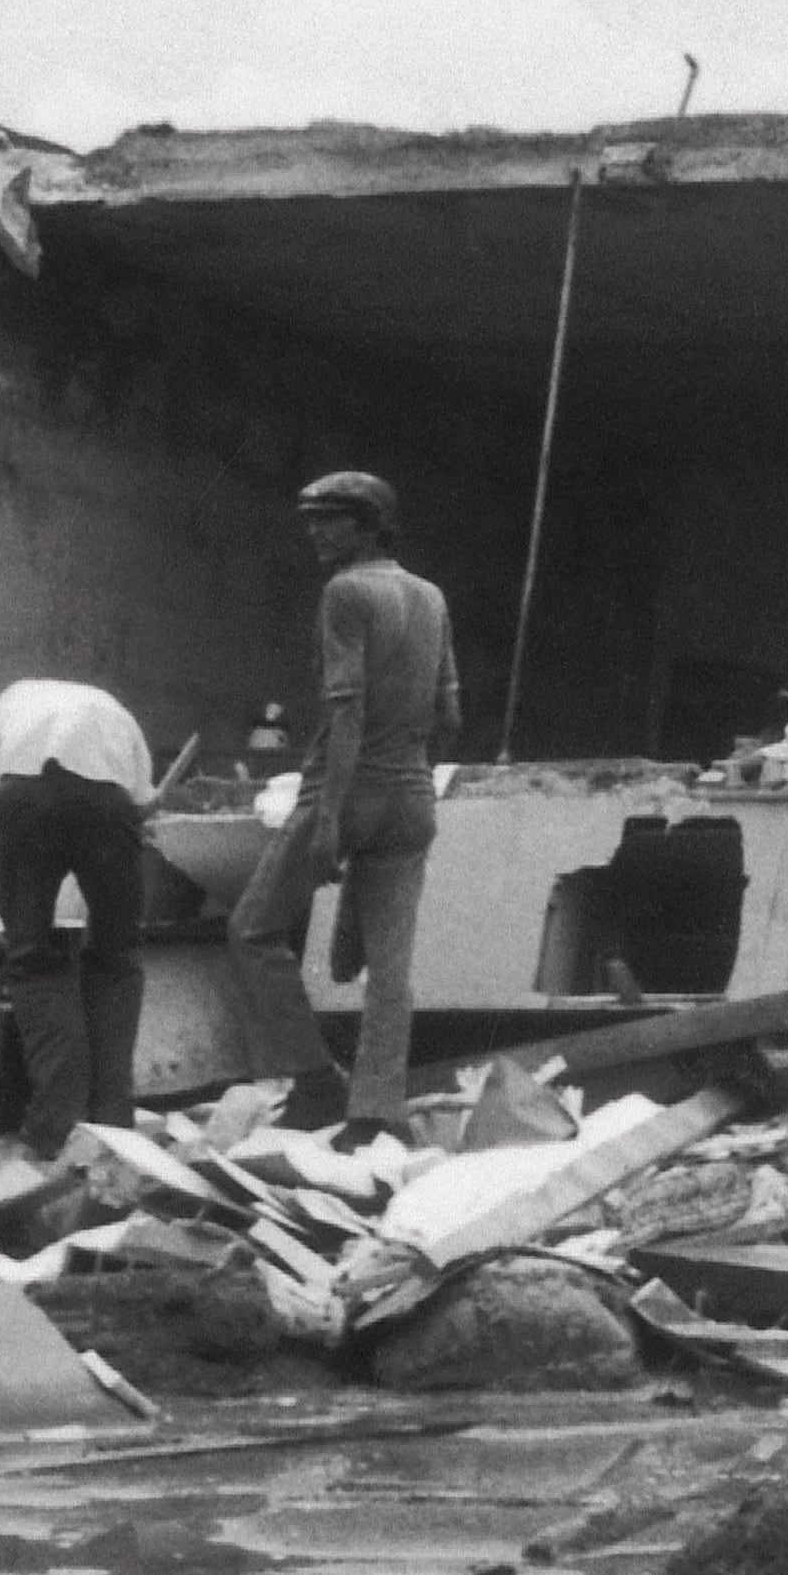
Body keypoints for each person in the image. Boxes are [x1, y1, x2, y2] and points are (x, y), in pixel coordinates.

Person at [226, 471, 458, 1135]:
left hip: (346, 785)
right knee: (391, 971)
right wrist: (416, 777)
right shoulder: (431, 596)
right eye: (312, 520)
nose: (315, 533)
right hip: (412, 794)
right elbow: (449, 708)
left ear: (367, 525)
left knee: (252, 932)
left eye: (329, 520)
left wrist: (330, 816)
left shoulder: (346, 592)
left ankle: (314, 1078)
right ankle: (377, 1110)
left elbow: (346, 705)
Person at [0, 674, 158, 1153]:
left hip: (23, 798)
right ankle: (113, 1125)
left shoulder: (5, 705)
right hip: (110, 800)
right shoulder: (115, 711)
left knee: (32, 959)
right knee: (115, 963)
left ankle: (57, 1127)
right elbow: (143, 813)